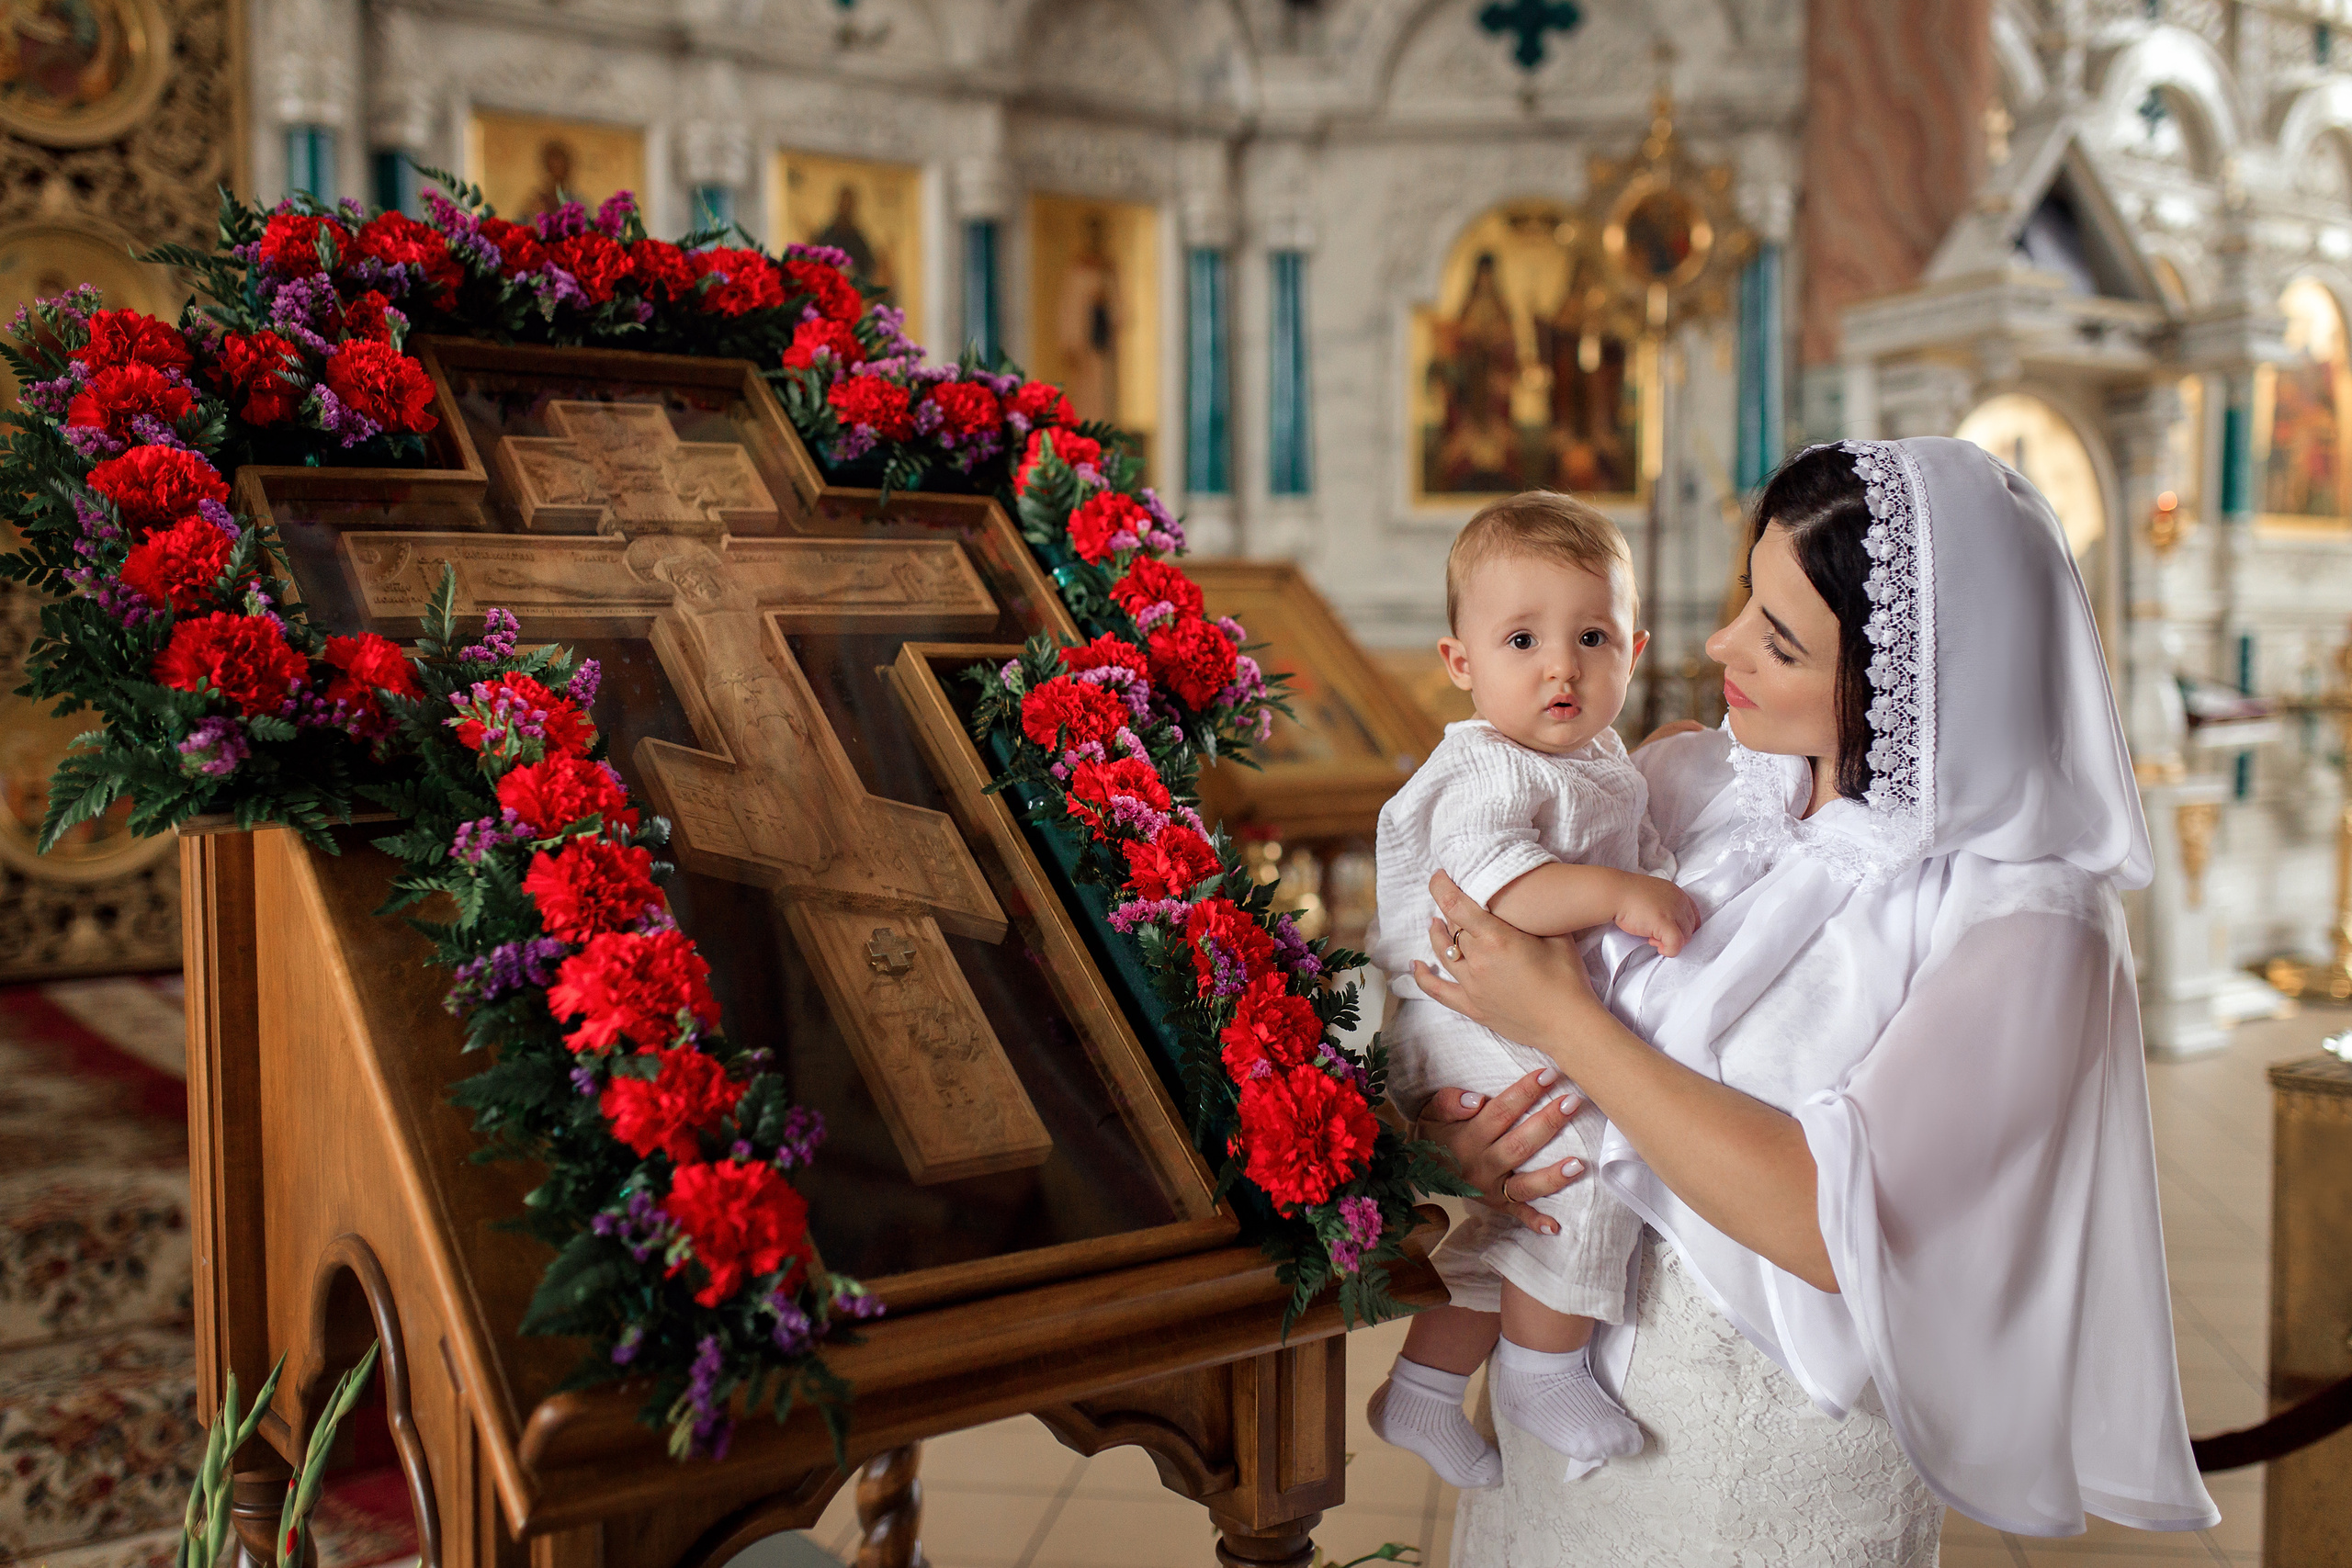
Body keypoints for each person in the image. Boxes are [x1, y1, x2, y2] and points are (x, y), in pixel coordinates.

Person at [1412, 439, 2217, 1562]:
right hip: (1549, 1444)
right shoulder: (1683, 780)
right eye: (1747, 594)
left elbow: (1835, 1220)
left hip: (1756, 1494)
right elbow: (1475, 975)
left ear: (1912, 679)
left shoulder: (2028, 920)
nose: (1717, 643)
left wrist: (1569, 1029)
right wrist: (1467, 1137)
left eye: (1779, 639)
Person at [1364, 492, 1697, 1490]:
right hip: (1462, 1013)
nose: (1561, 665)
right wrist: (1623, 894)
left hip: (1501, 1012)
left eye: (1591, 636)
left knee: (1498, 1221)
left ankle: (1421, 1392)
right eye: (1522, 639)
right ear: (1460, 664)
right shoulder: (1488, 768)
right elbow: (1497, 881)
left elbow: (1648, 852)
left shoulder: (1597, 765)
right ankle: (1543, 1370)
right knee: (1578, 1166)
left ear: (1632, 649)